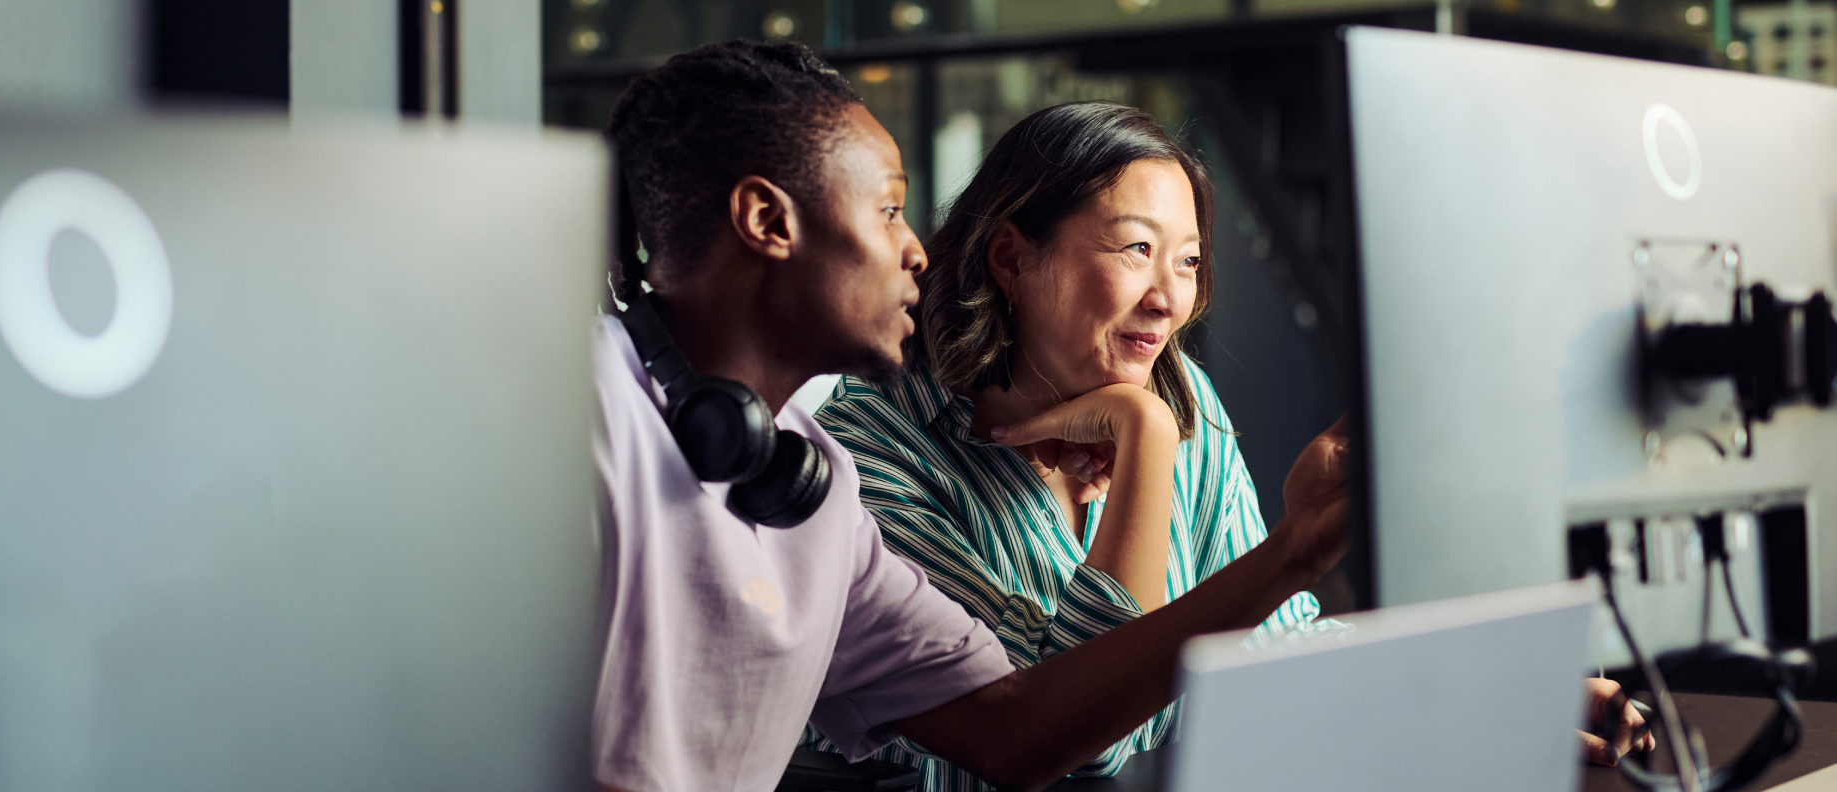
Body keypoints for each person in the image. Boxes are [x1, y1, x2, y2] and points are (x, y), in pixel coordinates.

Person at [802, 101, 1654, 788]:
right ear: (1011, 258)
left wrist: (1495, 698)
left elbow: (1273, 655)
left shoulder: (1184, 402)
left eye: (1189, 262)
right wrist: (1145, 443)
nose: (1169, 300)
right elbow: (1074, 741)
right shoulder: (872, 453)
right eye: (1137, 250)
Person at [591, 41, 1351, 792]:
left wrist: (1294, 554)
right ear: (767, 219)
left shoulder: (815, 498)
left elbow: (1021, 730)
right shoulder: (585, 413)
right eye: (889, 209)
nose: (915, 249)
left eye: (1186, 260)